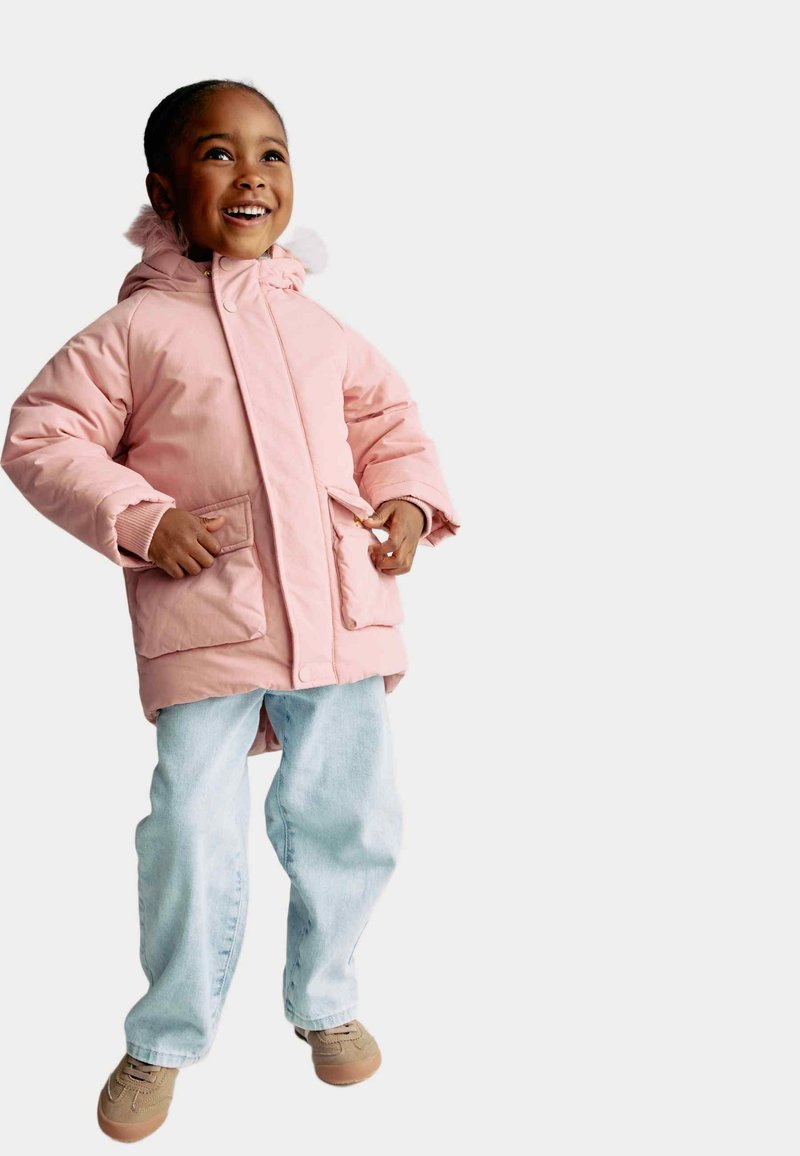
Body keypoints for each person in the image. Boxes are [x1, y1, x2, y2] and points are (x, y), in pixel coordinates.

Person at [1, 78, 460, 1142]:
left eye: (272, 153)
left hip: (341, 614)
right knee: (190, 838)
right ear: (165, 192)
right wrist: (141, 515)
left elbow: (389, 425)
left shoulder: (320, 327)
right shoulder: (136, 331)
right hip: (209, 614)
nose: (251, 174)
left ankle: (325, 997)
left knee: (353, 822)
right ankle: (165, 1036)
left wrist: (405, 500)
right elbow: (42, 437)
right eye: (219, 153)